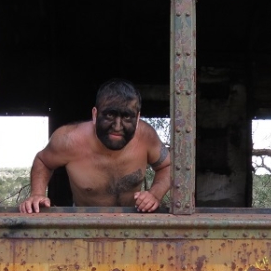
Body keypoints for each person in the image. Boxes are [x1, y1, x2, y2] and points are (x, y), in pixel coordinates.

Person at [19, 79, 171, 213]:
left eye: (126, 117)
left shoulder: (147, 136)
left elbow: (168, 166)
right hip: (85, 225)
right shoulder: (68, 139)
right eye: (110, 115)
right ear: (95, 114)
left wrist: (154, 194)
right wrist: (37, 194)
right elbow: (43, 161)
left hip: (133, 221)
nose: (117, 126)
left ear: (137, 118)